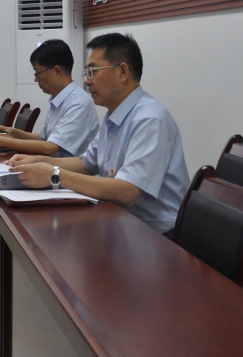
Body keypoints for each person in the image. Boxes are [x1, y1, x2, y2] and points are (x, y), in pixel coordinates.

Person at [10, 33, 189, 235]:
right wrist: (38, 161)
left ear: (122, 72)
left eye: (93, 71)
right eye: (86, 72)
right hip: (120, 221)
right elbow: (86, 164)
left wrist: (54, 175)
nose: (87, 81)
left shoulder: (149, 119)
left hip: (156, 235)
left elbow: (127, 191)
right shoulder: (115, 115)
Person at [0, 39, 99, 157]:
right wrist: (13, 132)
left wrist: (0, 141)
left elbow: (49, 148)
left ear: (57, 71)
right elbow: (44, 138)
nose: (36, 79)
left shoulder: (78, 104)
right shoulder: (59, 100)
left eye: (37, 73)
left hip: (65, 168)